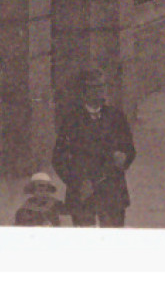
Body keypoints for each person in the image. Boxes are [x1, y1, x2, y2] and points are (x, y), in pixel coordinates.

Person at [52, 69, 135, 227]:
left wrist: (124, 157)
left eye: (102, 86)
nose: (100, 91)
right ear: (84, 91)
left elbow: (130, 148)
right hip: (84, 192)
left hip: (112, 191)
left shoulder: (116, 117)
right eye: (94, 87)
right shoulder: (72, 120)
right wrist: (77, 183)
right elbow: (58, 158)